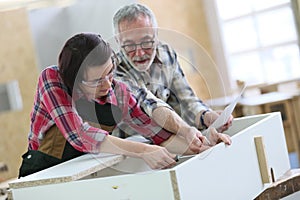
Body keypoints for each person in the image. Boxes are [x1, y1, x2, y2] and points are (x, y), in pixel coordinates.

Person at [19, 33, 228, 178]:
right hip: (43, 171)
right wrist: (144, 150)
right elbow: (80, 135)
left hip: (85, 168)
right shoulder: (52, 79)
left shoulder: (119, 91)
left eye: (110, 72)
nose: (108, 83)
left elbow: (159, 135)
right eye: (97, 80)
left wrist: (204, 146)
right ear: (75, 81)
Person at [112, 3, 233, 141]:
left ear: (156, 35)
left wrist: (206, 116)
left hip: (170, 141)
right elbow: (148, 105)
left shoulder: (167, 55)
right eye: (129, 45)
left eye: (146, 42)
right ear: (118, 41)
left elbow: (186, 100)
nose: (139, 53)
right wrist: (185, 130)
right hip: (129, 152)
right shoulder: (114, 70)